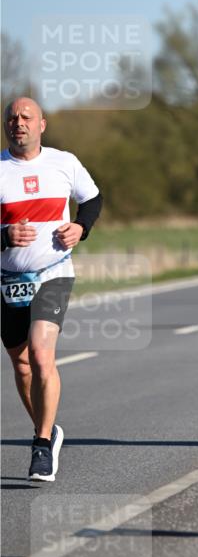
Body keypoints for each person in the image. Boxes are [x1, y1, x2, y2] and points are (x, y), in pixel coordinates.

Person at [1, 98, 102, 481]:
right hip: (7, 280)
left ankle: (41, 446)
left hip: (54, 273)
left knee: (42, 355)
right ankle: (49, 428)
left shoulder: (64, 162)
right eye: (11, 118)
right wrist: (4, 236)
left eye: (26, 117)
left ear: (41, 124)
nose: (18, 123)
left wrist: (81, 227)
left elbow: (92, 199)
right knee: (22, 363)